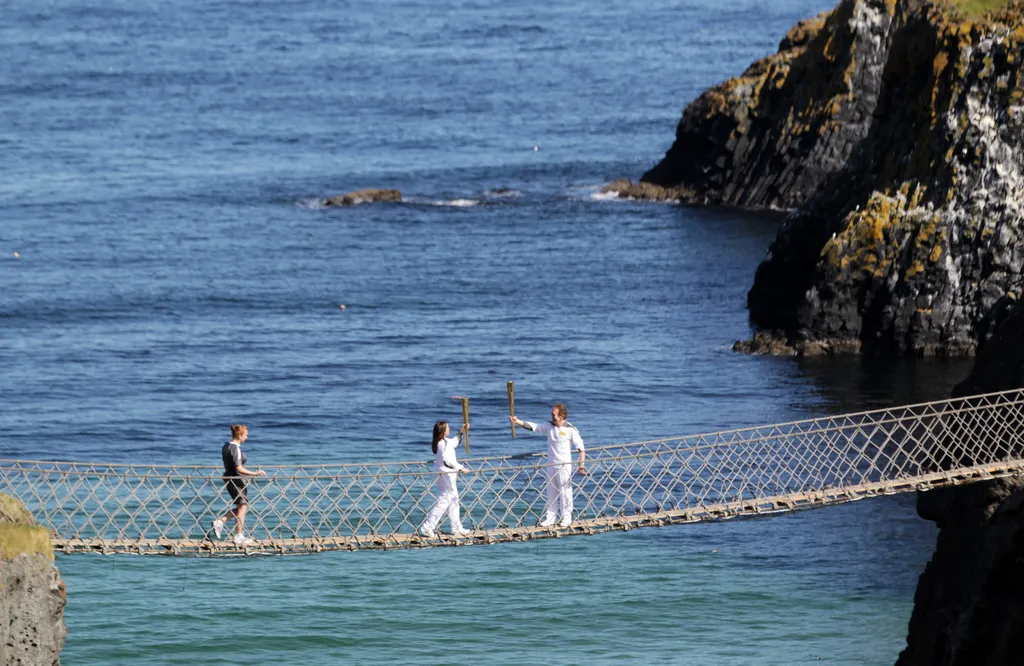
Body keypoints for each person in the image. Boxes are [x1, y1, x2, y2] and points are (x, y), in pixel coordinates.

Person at [511, 403, 585, 527]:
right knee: (551, 492)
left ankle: (567, 517)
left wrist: (581, 466)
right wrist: (517, 421)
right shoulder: (549, 427)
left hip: (564, 466)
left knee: (565, 492)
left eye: (554, 414)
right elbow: (534, 427)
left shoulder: (570, 429)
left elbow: (581, 449)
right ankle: (550, 518)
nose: (551, 416)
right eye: (551, 413)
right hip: (551, 465)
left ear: (562, 415)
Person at [212, 424, 267, 546]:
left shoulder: (226, 446)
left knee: (241, 507)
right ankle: (238, 536)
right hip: (236, 480)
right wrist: (254, 473)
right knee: (242, 508)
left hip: (229, 478)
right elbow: (239, 468)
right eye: (246, 435)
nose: (247, 438)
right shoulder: (235, 448)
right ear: (240, 435)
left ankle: (221, 522)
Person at [419, 421, 472, 538]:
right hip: (444, 474)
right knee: (444, 501)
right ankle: (427, 527)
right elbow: (447, 460)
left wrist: (462, 430)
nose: (449, 429)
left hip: (447, 474)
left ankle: (456, 527)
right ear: (443, 431)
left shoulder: (446, 441)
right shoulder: (441, 444)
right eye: (447, 427)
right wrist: (461, 467)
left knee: (453, 499)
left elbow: (455, 441)